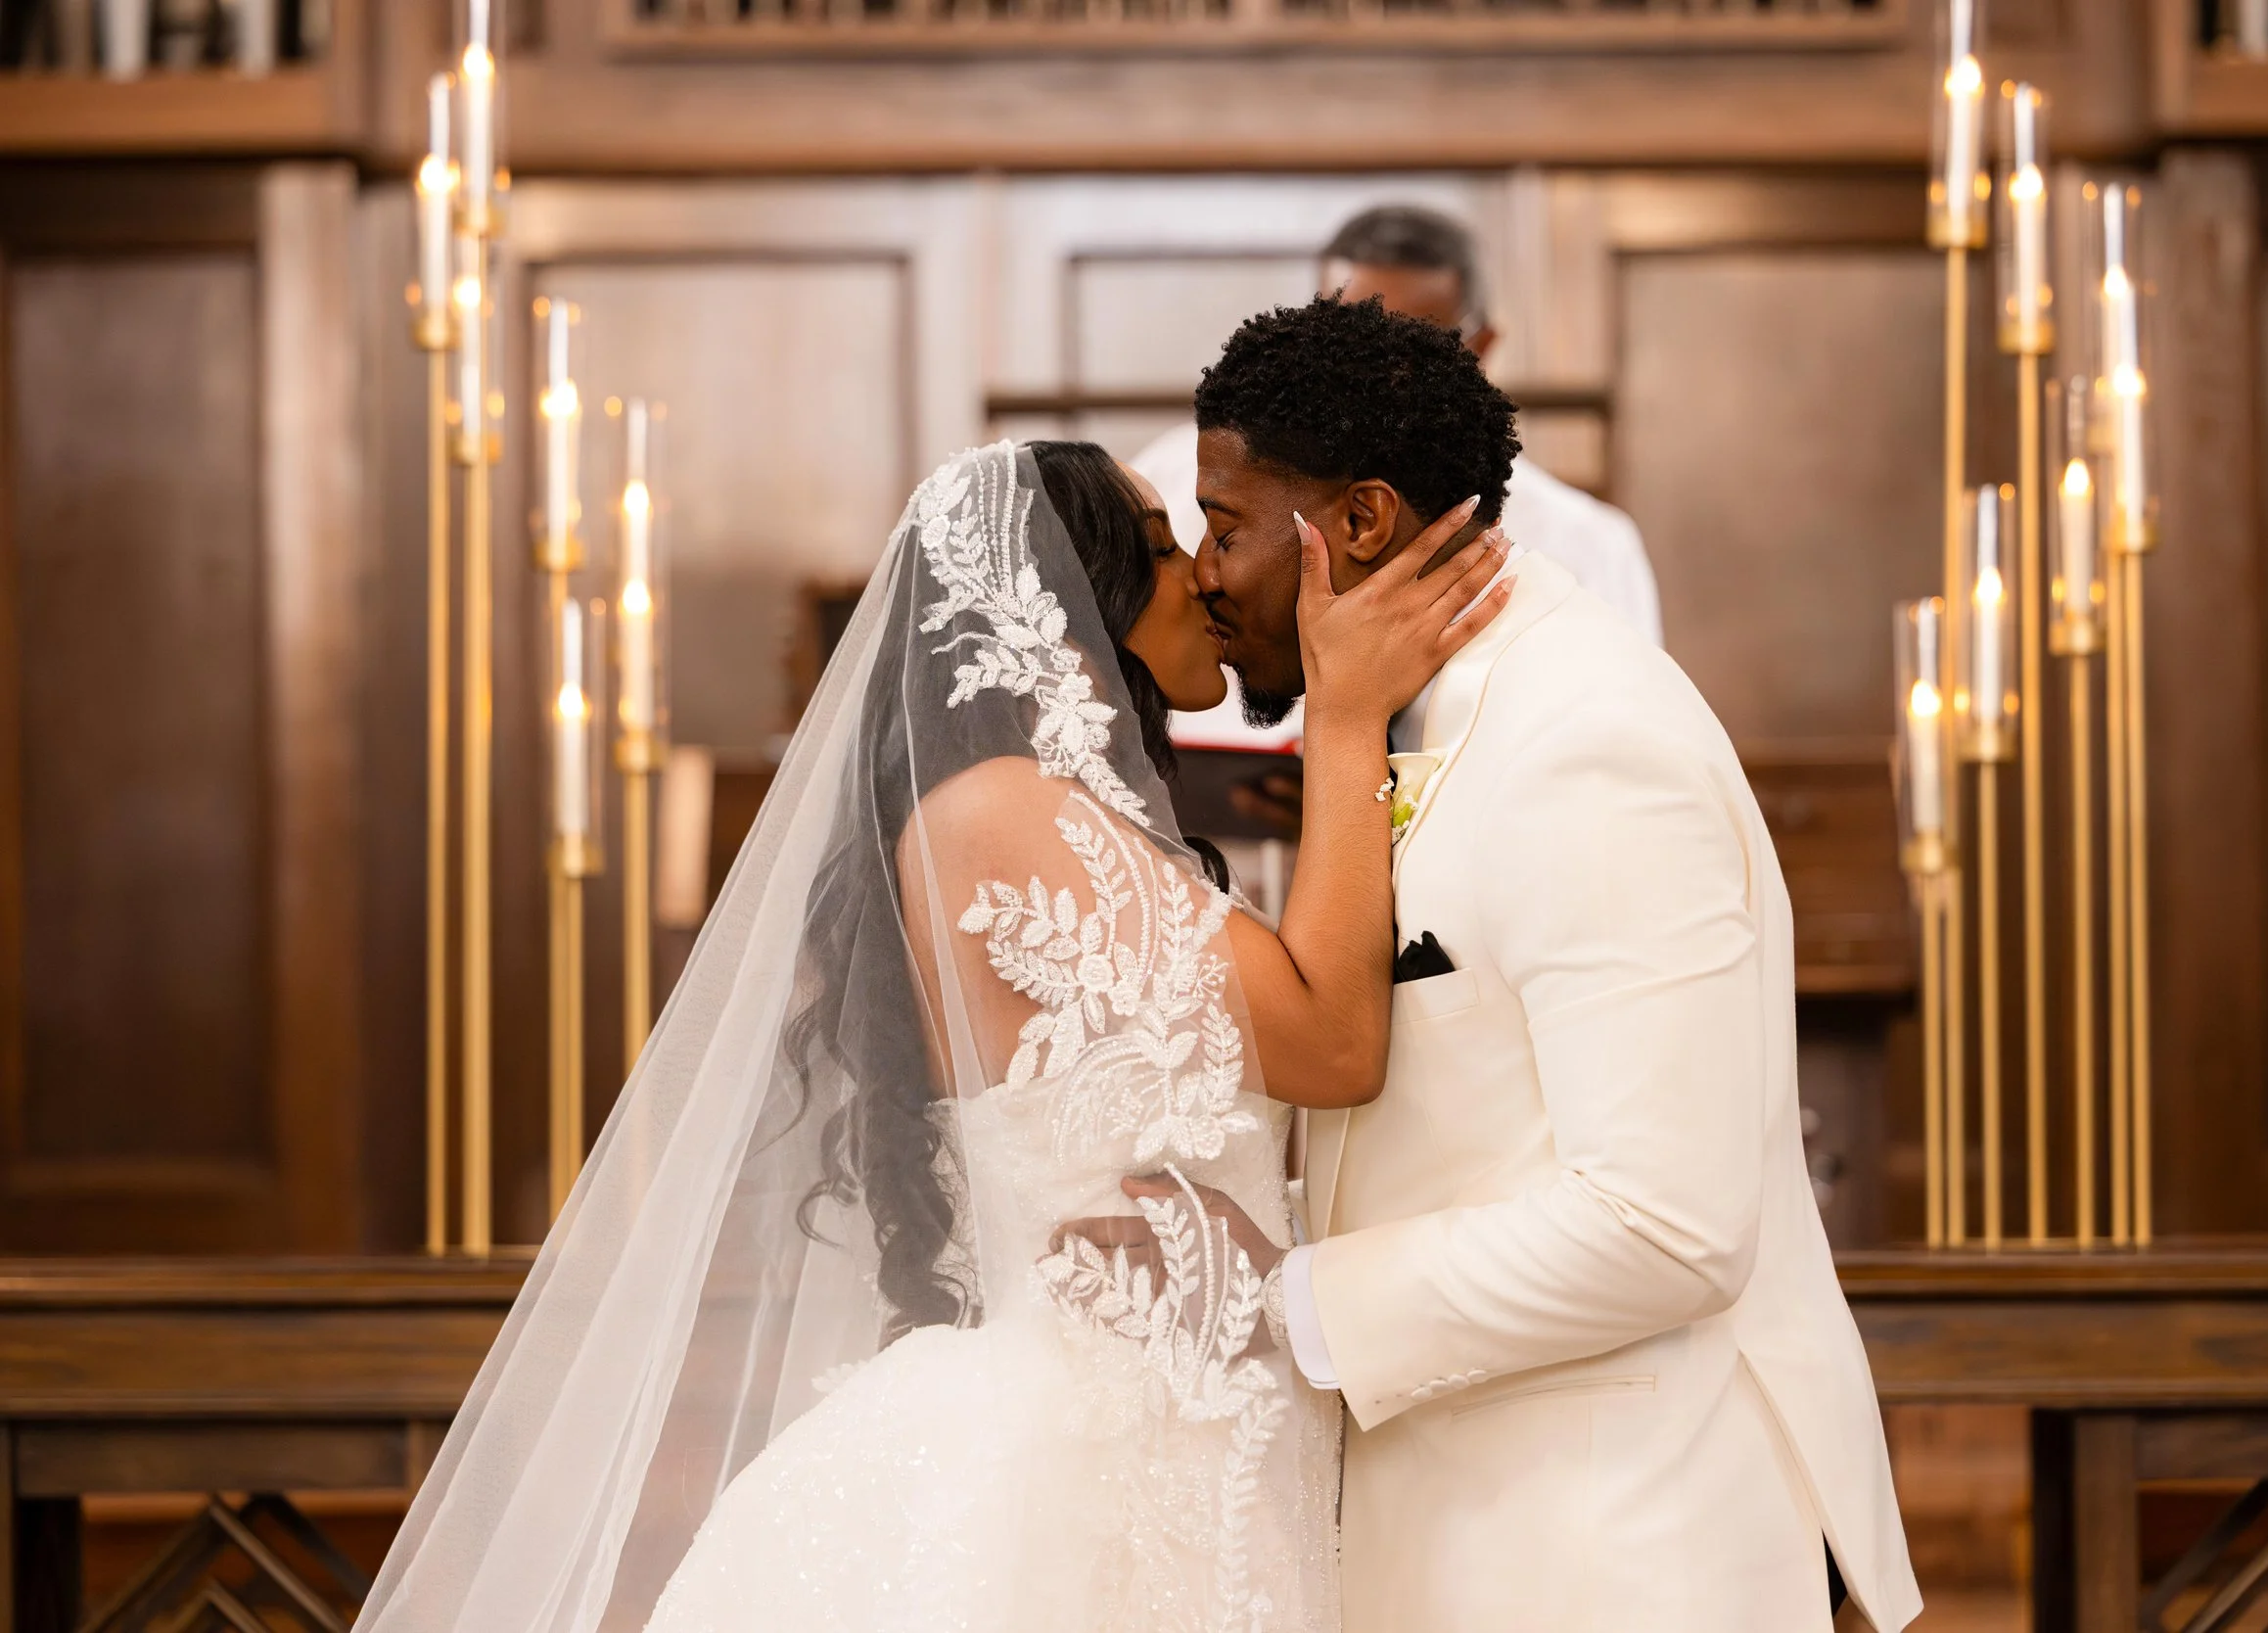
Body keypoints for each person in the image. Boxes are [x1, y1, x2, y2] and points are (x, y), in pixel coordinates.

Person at [352, 437, 1509, 1633]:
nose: (1202, 581)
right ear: (1066, 608)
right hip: (1095, 1454)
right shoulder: (1007, 808)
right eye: (1161, 552)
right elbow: (1329, 1043)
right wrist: (1348, 720)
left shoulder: (1055, 810)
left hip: (1194, 1422)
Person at [1066, 296, 1921, 1631]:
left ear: (1357, 523)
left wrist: (1284, 1304)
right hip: (1479, 1523)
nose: (1211, 578)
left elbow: (1667, 1224)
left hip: (1610, 1546)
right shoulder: (1398, 724)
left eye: (1228, 528)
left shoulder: (1589, 741)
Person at [1134, 202, 1662, 646]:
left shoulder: (1586, 543)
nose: (1366, 370)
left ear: (1480, 349)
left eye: (1411, 345)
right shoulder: (1172, 477)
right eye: (1341, 332)